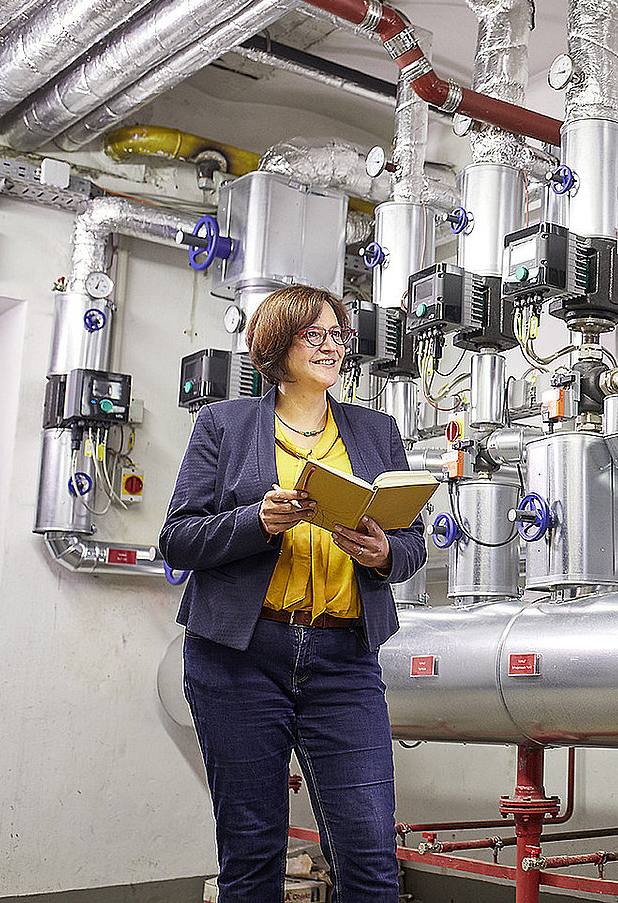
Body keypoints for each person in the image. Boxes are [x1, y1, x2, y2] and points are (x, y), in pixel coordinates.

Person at [161, 284, 426, 903]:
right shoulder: (224, 425)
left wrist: (386, 553)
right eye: (316, 334)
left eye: (339, 335)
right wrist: (260, 520)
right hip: (239, 658)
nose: (333, 346)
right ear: (277, 346)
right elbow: (178, 539)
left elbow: (412, 543)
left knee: (370, 858)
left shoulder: (375, 430)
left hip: (344, 660)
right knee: (253, 856)